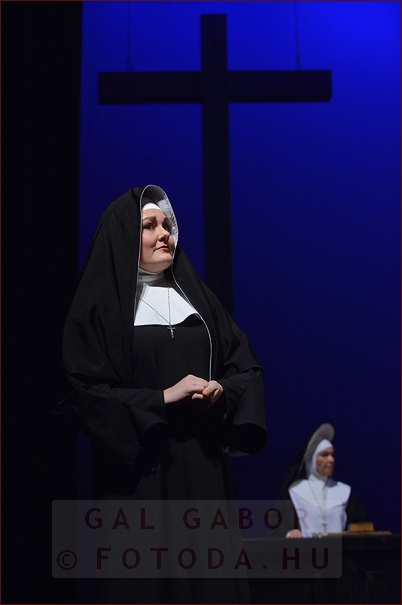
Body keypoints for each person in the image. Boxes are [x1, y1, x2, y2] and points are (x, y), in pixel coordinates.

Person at [56, 184, 268, 603]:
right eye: (149, 226)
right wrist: (162, 398)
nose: (164, 233)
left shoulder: (200, 302)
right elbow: (84, 394)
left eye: (166, 224)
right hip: (141, 476)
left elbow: (247, 369)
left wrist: (221, 389)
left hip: (202, 473)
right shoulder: (102, 309)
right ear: (123, 236)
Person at [274, 422, 368, 538]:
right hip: (307, 549)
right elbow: (280, 527)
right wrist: (289, 532)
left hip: (339, 549)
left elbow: (362, 527)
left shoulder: (345, 492)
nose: (331, 460)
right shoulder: (295, 492)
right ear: (311, 459)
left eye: (332, 455)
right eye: (324, 455)